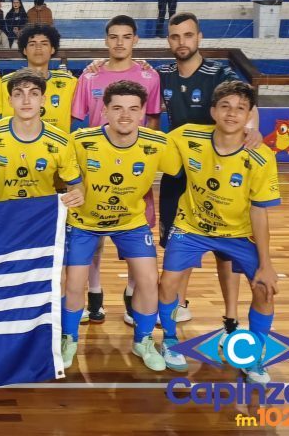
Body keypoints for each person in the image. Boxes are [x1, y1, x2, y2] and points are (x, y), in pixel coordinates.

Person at [157, 81, 280, 384]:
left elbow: (259, 211)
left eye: (240, 108)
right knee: (168, 281)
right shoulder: (186, 137)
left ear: (250, 115)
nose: (231, 113)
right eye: (225, 106)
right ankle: (170, 341)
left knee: (265, 288)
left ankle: (254, 354)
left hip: (239, 233)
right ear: (213, 111)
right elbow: (149, 146)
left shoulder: (261, 157)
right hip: (191, 225)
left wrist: (266, 264)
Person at [153, 12, 263, 335]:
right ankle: (180, 305)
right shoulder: (163, 74)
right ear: (169, 41)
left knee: (225, 247)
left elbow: (246, 103)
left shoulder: (219, 72)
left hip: (218, 170)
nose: (181, 42)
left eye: (188, 35)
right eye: (175, 37)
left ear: (199, 36)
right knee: (179, 240)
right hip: (179, 170)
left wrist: (253, 128)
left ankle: (230, 317)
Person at [61, 81, 177, 373]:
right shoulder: (81, 141)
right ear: (105, 110)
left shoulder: (158, 144)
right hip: (85, 222)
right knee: (74, 283)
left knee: (149, 280)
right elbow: (59, 174)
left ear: (142, 113)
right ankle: (69, 339)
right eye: (117, 108)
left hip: (131, 223)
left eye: (133, 109)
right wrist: (70, 189)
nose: (125, 115)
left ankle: (143, 340)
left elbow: (195, 162)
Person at [71, 15, 161, 324]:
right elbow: (78, 122)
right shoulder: (90, 76)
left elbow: (152, 123)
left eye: (126, 36)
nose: (119, 42)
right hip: (94, 171)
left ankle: (131, 299)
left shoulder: (149, 76)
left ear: (135, 40)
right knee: (91, 240)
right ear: (106, 40)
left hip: (134, 173)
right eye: (113, 36)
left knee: (135, 238)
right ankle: (94, 298)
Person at [0, 68, 84, 207]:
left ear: (43, 100)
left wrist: (77, 195)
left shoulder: (61, 140)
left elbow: (75, 184)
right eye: (18, 94)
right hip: (1, 214)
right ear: (10, 101)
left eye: (33, 94)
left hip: (41, 218)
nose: (26, 101)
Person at [0, 24, 76, 132]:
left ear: (53, 49)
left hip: (56, 147)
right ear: (24, 50)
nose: (38, 47)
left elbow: (77, 115)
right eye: (32, 44)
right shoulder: (5, 83)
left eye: (44, 43)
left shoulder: (70, 82)